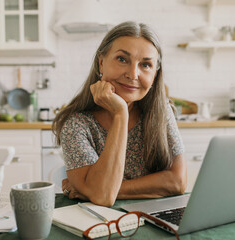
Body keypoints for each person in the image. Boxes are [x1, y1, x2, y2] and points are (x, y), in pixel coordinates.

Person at [52, 21, 186, 207]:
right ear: (101, 63)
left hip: (156, 216)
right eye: (122, 59)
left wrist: (94, 190)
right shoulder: (77, 124)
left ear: (154, 75)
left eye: (146, 64)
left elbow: (177, 182)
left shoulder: (161, 112)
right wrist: (120, 114)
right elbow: (104, 198)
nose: (133, 74)